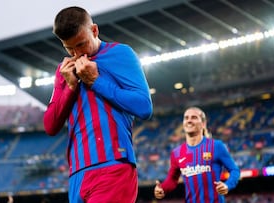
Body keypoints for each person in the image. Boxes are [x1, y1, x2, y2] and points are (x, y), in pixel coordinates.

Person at [43, 6, 153, 203]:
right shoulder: (64, 70)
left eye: (81, 44)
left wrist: (96, 82)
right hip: (77, 173)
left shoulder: (121, 54)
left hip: (112, 166)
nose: (77, 53)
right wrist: (69, 87)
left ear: (94, 30)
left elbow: (144, 106)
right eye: (69, 49)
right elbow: (50, 125)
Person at [154, 107, 240, 203]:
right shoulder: (176, 153)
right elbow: (172, 179)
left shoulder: (216, 146)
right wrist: (162, 189)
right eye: (186, 118)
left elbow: (234, 170)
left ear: (203, 124)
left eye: (194, 117)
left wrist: (227, 185)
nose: (189, 120)